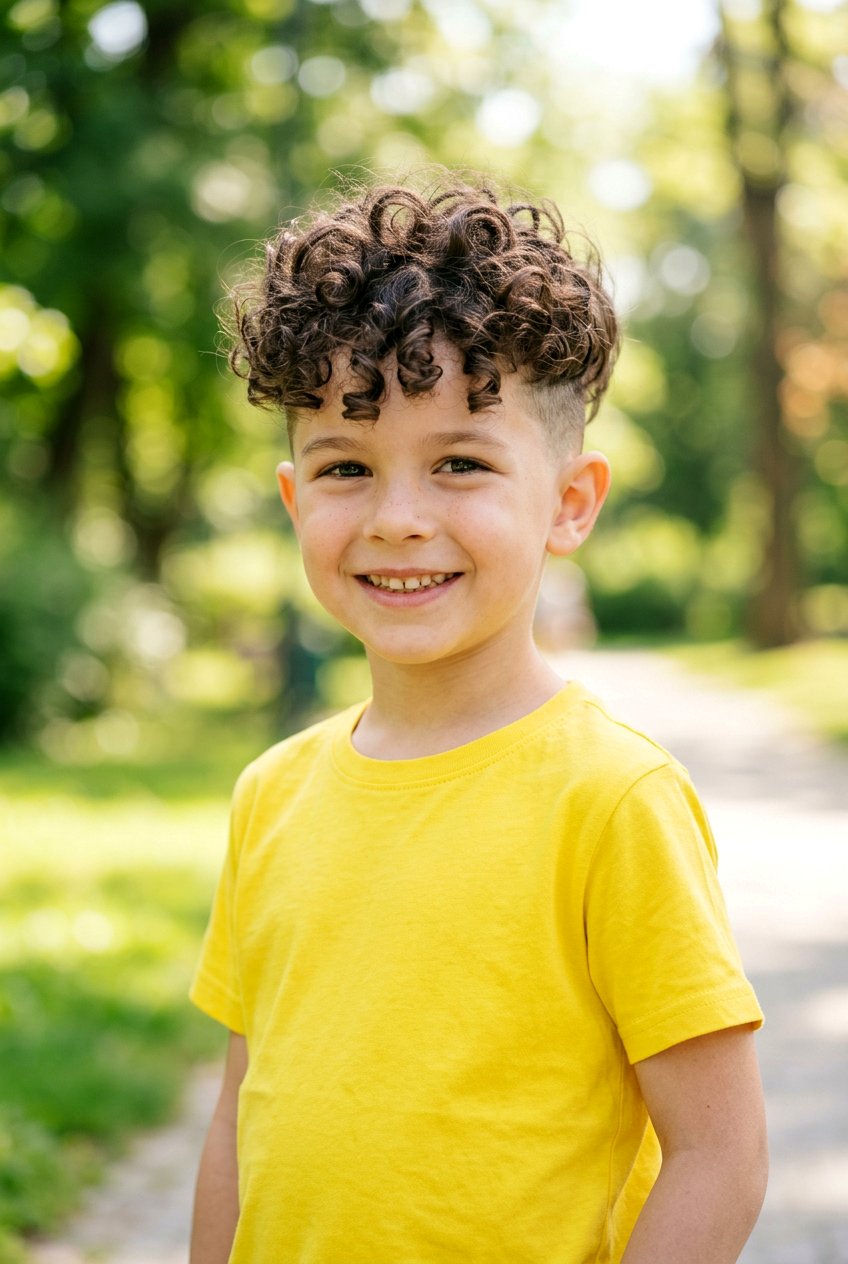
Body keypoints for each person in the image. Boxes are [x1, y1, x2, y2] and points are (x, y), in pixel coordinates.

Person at [189, 175, 767, 1264]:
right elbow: (238, 1115)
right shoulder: (270, 794)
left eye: (459, 463)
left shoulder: (610, 798)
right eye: (345, 469)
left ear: (569, 502)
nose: (398, 519)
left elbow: (721, 1156)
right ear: (292, 500)